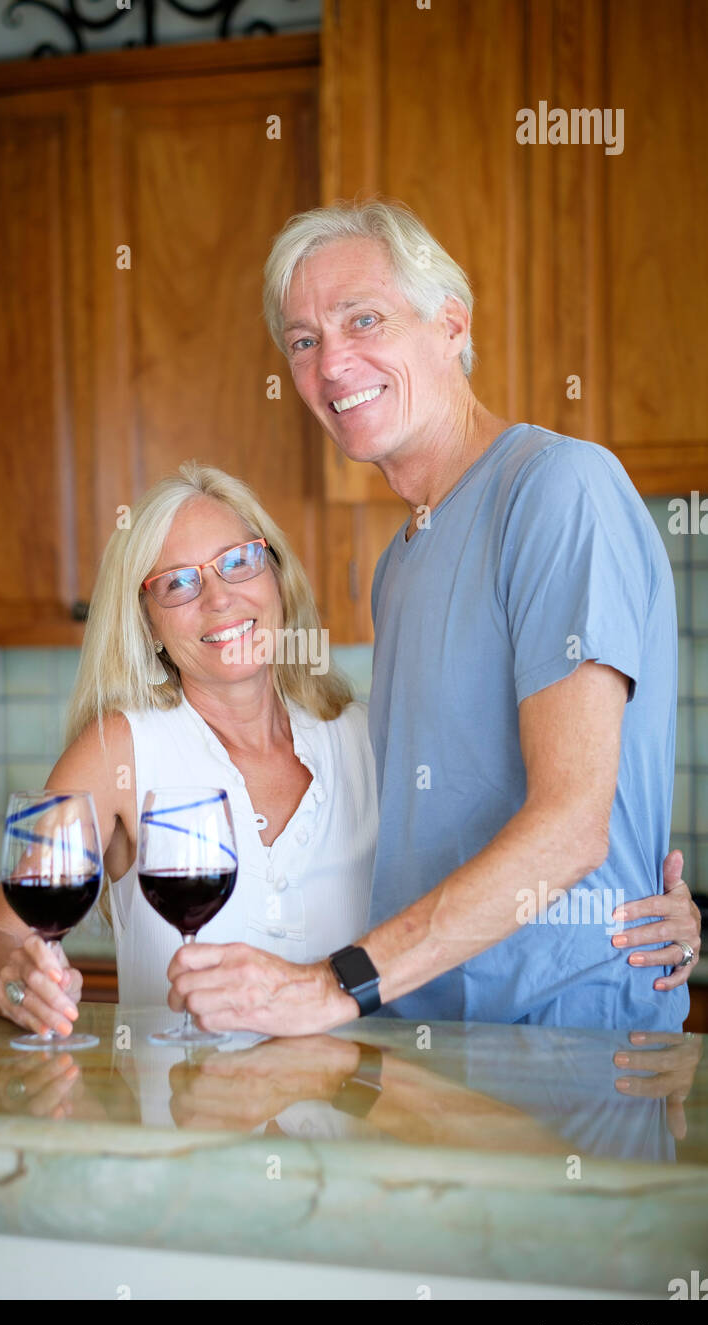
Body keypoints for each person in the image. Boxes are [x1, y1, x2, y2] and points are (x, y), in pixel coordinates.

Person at [165, 198, 702, 1037]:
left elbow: (570, 831)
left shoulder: (558, 489)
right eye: (304, 342)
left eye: (363, 320)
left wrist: (333, 986)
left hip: (566, 1048)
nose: (332, 362)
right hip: (430, 1038)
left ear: (451, 324)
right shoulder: (401, 562)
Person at [0, 465, 377, 1034]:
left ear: (276, 577)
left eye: (238, 561)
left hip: (355, 1114)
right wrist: (17, 983)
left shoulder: (366, 739)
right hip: (185, 1116)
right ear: (149, 625)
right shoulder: (121, 752)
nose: (220, 599)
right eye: (179, 583)